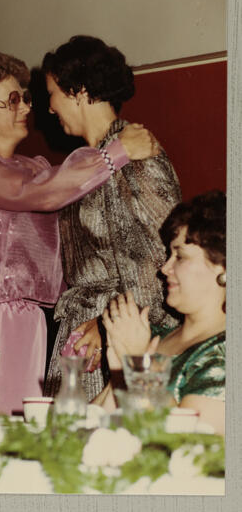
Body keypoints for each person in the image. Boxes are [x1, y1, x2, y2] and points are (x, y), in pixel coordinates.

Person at [0, 50, 157, 415]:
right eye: (13, 100)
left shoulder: (32, 166)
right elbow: (39, 192)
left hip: (29, 321)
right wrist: (117, 152)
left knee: (24, 426)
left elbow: (64, 223)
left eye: (26, 98)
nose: (25, 108)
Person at [42, 35, 182, 402]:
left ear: (78, 90)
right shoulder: (90, 161)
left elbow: (159, 261)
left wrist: (108, 328)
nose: (50, 106)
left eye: (53, 92)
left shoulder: (138, 158)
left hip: (111, 338)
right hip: (84, 331)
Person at [97, 190, 226, 435]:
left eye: (180, 256)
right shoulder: (155, 336)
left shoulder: (225, 354)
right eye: (169, 254)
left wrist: (138, 366)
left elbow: (192, 448)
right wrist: (121, 372)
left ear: (224, 267)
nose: (165, 268)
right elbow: (96, 425)